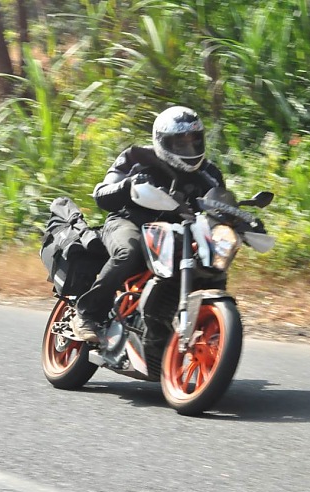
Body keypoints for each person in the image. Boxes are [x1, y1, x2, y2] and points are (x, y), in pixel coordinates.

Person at [71, 106, 226, 365]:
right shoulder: (135, 157)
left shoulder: (209, 174)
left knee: (213, 265)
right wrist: (127, 185)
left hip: (181, 235)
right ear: (162, 140)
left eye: (193, 140)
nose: (187, 146)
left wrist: (241, 218)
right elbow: (101, 193)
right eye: (180, 141)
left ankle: (203, 330)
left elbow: (218, 206)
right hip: (129, 221)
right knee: (128, 252)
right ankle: (87, 313)